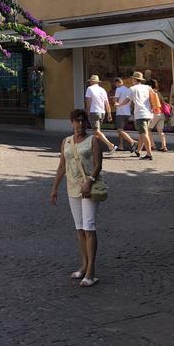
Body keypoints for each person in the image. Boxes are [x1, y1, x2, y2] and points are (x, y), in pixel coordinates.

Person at [50, 109, 104, 287]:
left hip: (88, 189)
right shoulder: (66, 142)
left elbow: (98, 165)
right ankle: (84, 265)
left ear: (86, 123)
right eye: (76, 121)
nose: (79, 124)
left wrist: (89, 181)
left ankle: (91, 272)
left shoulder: (93, 140)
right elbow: (61, 167)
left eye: (82, 121)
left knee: (89, 228)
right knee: (79, 229)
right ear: (71, 122)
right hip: (72, 189)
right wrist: (55, 188)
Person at [84, 75, 116, 154]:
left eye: (90, 81)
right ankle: (95, 149)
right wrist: (109, 113)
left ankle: (110, 145)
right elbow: (107, 103)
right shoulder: (102, 90)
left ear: (92, 82)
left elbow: (88, 101)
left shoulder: (89, 89)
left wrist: (88, 112)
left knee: (97, 131)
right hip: (102, 112)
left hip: (94, 111)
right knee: (96, 132)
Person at [129, 71, 154, 160]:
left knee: (144, 134)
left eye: (132, 79)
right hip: (148, 114)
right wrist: (152, 110)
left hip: (140, 114)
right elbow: (152, 99)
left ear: (135, 79)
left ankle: (149, 154)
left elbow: (127, 100)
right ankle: (138, 151)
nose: (132, 80)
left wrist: (118, 104)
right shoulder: (148, 87)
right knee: (141, 134)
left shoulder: (132, 88)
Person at [112, 78, 137, 153]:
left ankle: (132, 141)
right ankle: (121, 145)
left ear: (118, 83)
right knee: (121, 130)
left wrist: (113, 100)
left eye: (116, 84)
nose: (116, 85)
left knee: (119, 130)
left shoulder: (118, 89)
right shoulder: (128, 89)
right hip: (127, 112)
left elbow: (116, 100)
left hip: (120, 112)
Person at [148, 79, 168, 153]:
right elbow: (163, 102)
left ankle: (153, 145)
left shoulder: (150, 92)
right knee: (160, 131)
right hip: (161, 114)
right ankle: (164, 146)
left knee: (148, 129)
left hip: (155, 113)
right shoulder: (158, 92)